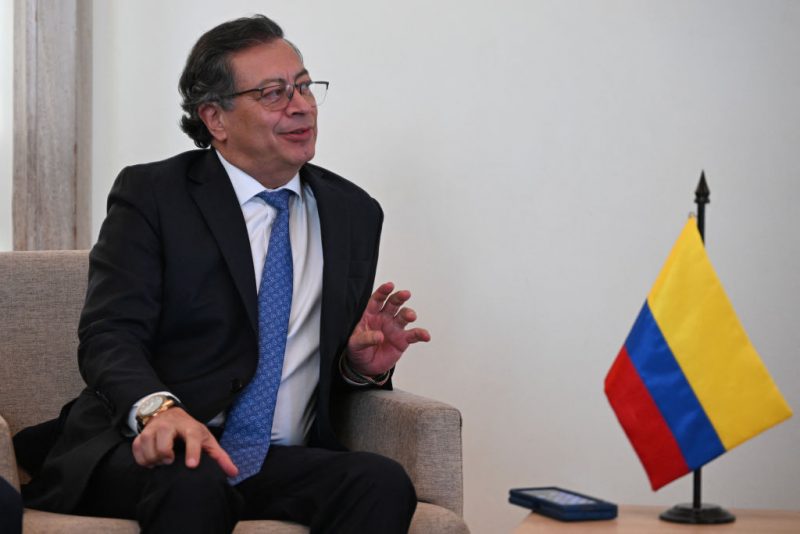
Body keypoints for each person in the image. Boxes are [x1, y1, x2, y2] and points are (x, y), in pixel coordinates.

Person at [19, 14, 430, 534]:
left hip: (272, 459)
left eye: (303, 86)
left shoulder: (353, 212)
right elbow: (109, 334)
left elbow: (318, 370)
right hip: (158, 449)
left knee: (381, 481)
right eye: (274, 93)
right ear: (215, 118)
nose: (300, 105)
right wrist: (158, 411)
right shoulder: (155, 195)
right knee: (194, 479)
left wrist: (358, 366)